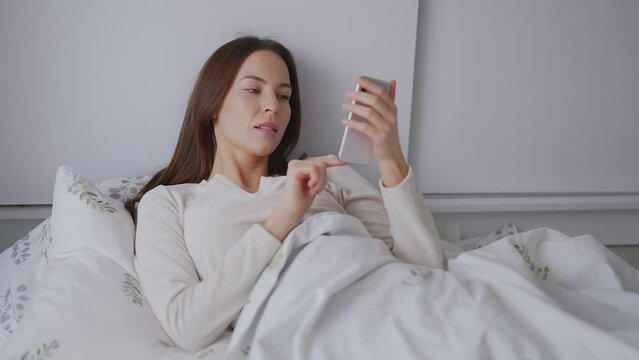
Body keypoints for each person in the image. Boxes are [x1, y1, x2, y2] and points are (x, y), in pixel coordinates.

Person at [127, 35, 446, 351]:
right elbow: (187, 326)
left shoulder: (330, 173)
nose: (273, 106)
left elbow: (423, 273)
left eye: (284, 96)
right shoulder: (168, 202)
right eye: (254, 90)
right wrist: (285, 216)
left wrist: (391, 158)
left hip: (390, 312)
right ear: (212, 104)